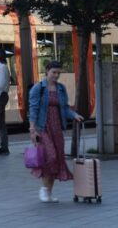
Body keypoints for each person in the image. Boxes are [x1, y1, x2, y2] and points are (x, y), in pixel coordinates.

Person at [28, 60, 85, 203]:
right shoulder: (38, 88)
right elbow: (33, 109)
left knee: (57, 158)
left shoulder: (61, 88)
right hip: (42, 127)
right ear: (47, 71)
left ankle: (48, 192)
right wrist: (32, 129)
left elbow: (64, 108)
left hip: (57, 128)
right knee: (51, 156)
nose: (56, 75)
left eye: (59, 73)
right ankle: (44, 189)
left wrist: (74, 115)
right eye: (54, 72)